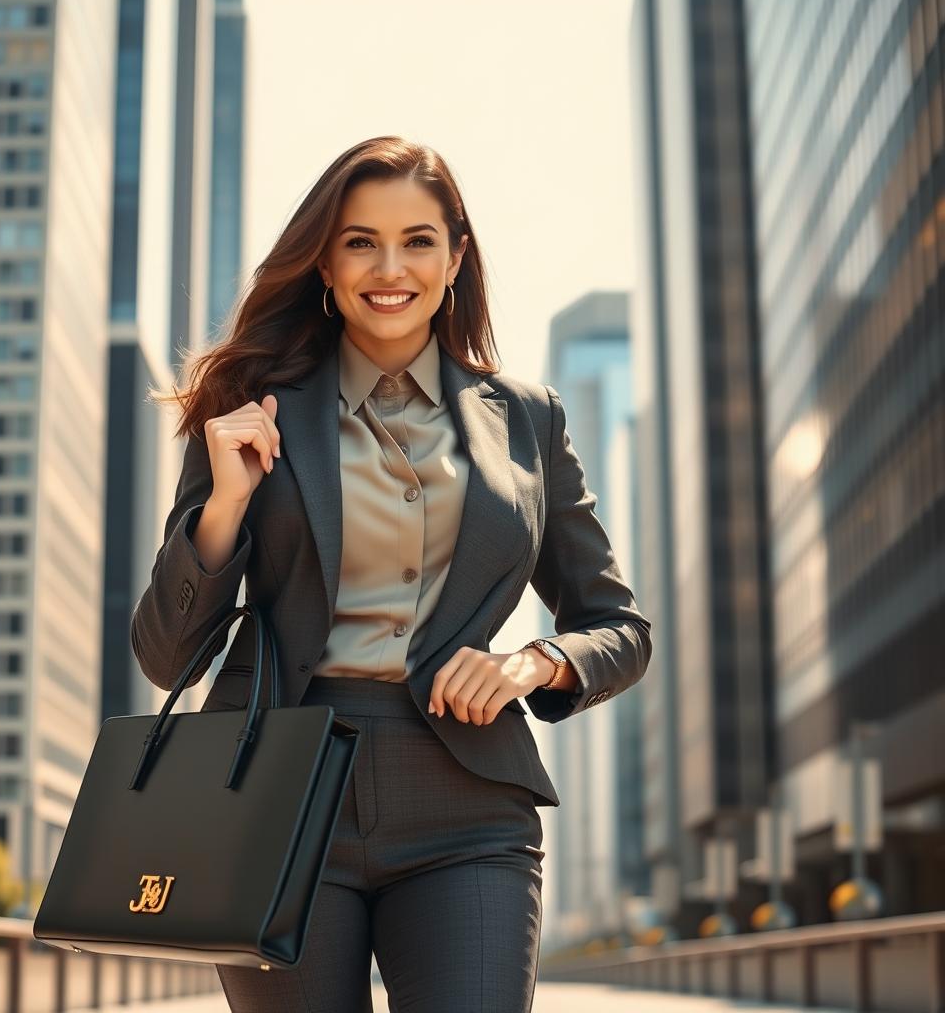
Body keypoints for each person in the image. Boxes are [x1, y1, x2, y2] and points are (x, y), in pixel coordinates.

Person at [130, 135, 652, 1012]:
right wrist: (224, 506)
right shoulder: (251, 406)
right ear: (324, 266)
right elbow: (163, 649)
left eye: (417, 240)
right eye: (360, 240)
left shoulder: (527, 420)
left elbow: (620, 628)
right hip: (274, 795)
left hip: (468, 798)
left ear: (455, 259)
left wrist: (530, 664)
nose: (390, 266)